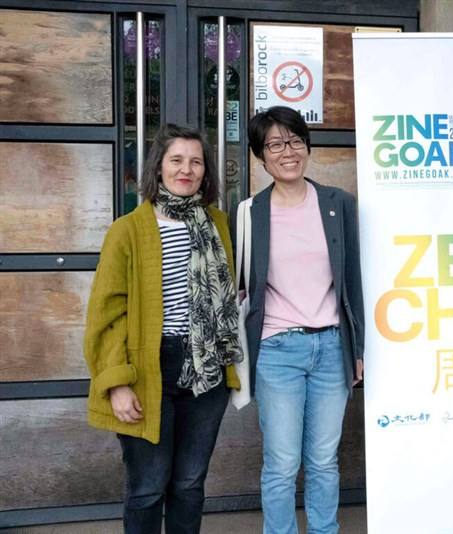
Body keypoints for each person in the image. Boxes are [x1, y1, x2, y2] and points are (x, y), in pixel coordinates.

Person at [84, 124, 242, 534]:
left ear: (206, 173)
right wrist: (116, 383)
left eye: (195, 161)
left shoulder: (219, 224)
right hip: (147, 368)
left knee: (190, 484)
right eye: (176, 160)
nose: (186, 169)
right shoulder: (128, 230)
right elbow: (106, 313)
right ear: (158, 168)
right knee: (148, 487)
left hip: (206, 369)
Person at [238, 105, 364, 534]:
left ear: (306, 146)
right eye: (274, 144)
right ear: (260, 156)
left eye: (294, 141)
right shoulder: (249, 213)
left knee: (324, 460)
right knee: (282, 462)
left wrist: (358, 349)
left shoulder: (338, 203)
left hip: (331, 346)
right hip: (276, 350)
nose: (286, 151)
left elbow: (353, 282)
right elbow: (240, 287)